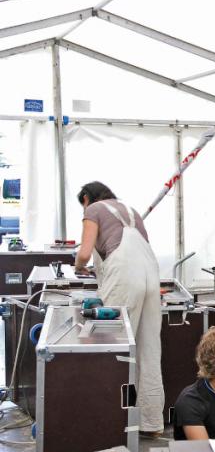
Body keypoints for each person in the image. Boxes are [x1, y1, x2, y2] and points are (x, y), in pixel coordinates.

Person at [74, 181, 164, 436]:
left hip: (124, 276)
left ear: (87, 198)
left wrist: (79, 266)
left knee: (113, 348)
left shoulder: (93, 210)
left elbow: (84, 252)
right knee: (149, 349)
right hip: (150, 274)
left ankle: (111, 424)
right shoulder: (130, 210)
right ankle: (151, 423)